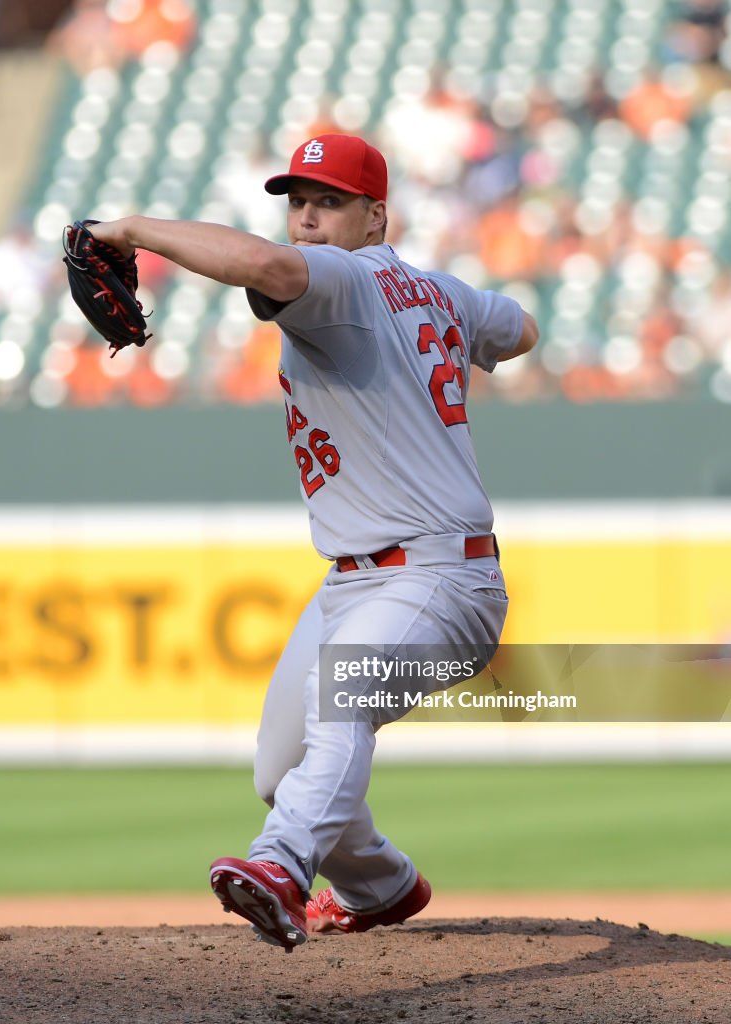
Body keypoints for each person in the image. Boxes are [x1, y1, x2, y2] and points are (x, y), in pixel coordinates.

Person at [87, 134, 539, 951]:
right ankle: (381, 885)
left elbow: (268, 269)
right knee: (277, 769)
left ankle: (281, 868)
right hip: (356, 582)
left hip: (439, 581)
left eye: (328, 202)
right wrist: (464, 333)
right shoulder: (436, 289)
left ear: (375, 217)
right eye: (297, 202)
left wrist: (134, 230)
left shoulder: (340, 276)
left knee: (341, 697)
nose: (307, 219)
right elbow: (522, 329)